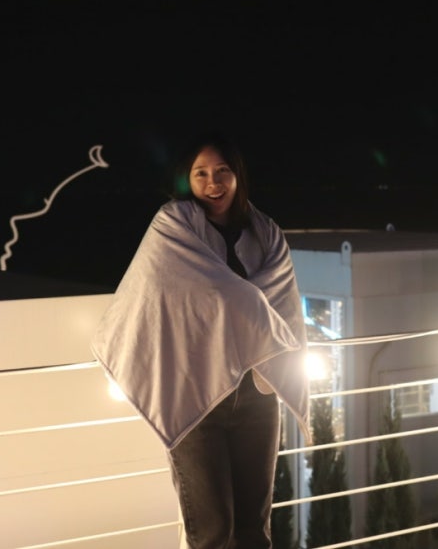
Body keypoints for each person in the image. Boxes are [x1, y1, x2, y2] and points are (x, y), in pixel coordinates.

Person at [91, 131, 310, 548]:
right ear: (187, 180)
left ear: (238, 175)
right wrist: (248, 303)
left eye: (223, 171)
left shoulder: (266, 232)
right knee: (212, 531)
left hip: (257, 393)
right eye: (201, 173)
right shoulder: (172, 226)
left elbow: (280, 301)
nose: (214, 183)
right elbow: (176, 294)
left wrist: (241, 304)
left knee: (254, 530)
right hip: (194, 398)